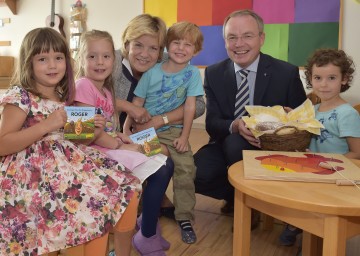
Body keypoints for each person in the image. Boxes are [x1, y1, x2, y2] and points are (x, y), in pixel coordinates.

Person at [0, 27, 141, 256]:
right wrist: (47, 124)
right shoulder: (21, 95)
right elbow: (2, 143)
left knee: (118, 192)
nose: (53, 65)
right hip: (31, 175)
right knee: (76, 219)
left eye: (58, 58)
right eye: (43, 59)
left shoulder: (64, 94)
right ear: (29, 63)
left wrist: (90, 130)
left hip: (68, 165)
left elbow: (74, 139)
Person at [193, 9, 307, 221]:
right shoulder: (214, 73)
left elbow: (303, 122)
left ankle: (250, 206)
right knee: (192, 173)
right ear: (225, 41)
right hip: (226, 142)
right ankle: (239, 197)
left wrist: (290, 119)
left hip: (272, 148)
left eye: (247, 36)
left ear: (261, 38)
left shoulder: (286, 73)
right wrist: (236, 125)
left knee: (235, 145)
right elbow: (212, 124)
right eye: (232, 37)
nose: (239, 44)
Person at [74, 29, 174, 256]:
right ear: (81, 59)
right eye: (92, 56)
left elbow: (107, 126)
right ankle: (147, 231)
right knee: (160, 164)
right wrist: (121, 145)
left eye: (106, 56)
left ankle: (148, 225)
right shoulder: (82, 86)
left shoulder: (106, 90)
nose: (100, 62)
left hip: (110, 143)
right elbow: (83, 133)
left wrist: (121, 137)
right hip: (92, 153)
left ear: (114, 59)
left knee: (162, 153)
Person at [112, 14, 205, 219]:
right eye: (138, 45)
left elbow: (198, 106)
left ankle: (147, 209)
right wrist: (128, 107)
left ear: (161, 48)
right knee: (162, 157)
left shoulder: (168, 61)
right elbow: (87, 94)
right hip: (111, 134)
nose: (145, 54)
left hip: (144, 132)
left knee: (168, 161)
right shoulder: (111, 62)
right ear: (126, 43)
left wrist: (161, 120)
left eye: (153, 48)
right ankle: (128, 206)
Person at [279, 48, 360, 249]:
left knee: (317, 206)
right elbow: (302, 127)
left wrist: (330, 166)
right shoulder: (312, 109)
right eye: (318, 78)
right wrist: (292, 116)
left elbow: (357, 152)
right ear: (310, 79)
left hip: (337, 174)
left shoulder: (347, 114)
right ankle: (298, 225)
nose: (323, 84)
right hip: (312, 168)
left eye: (331, 78)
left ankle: (312, 241)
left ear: (344, 79)